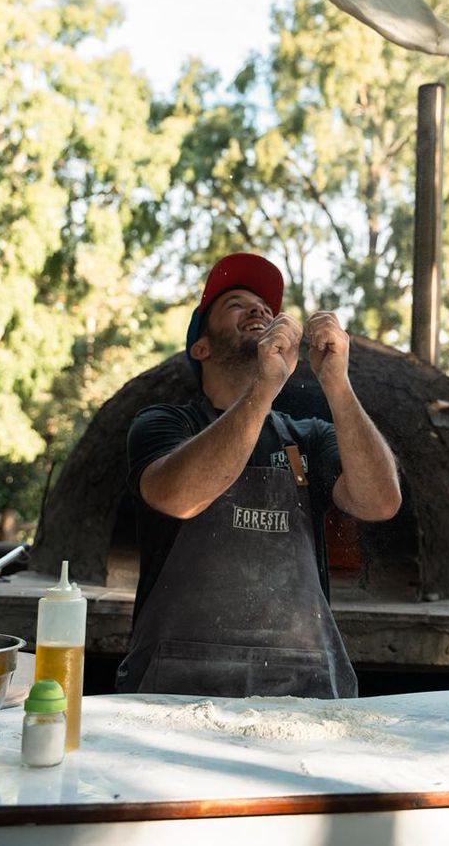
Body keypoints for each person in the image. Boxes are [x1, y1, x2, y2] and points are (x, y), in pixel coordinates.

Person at [117, 252, 401, 699]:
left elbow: (379, 501)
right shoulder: (165, 424)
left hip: (301, 689)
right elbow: (179, 497)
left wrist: (337, 384)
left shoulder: (307, 438)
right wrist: (264, 388)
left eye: (266, 308)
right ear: (201, 347)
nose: (260, 311)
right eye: (235, 303)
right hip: (173, 689)